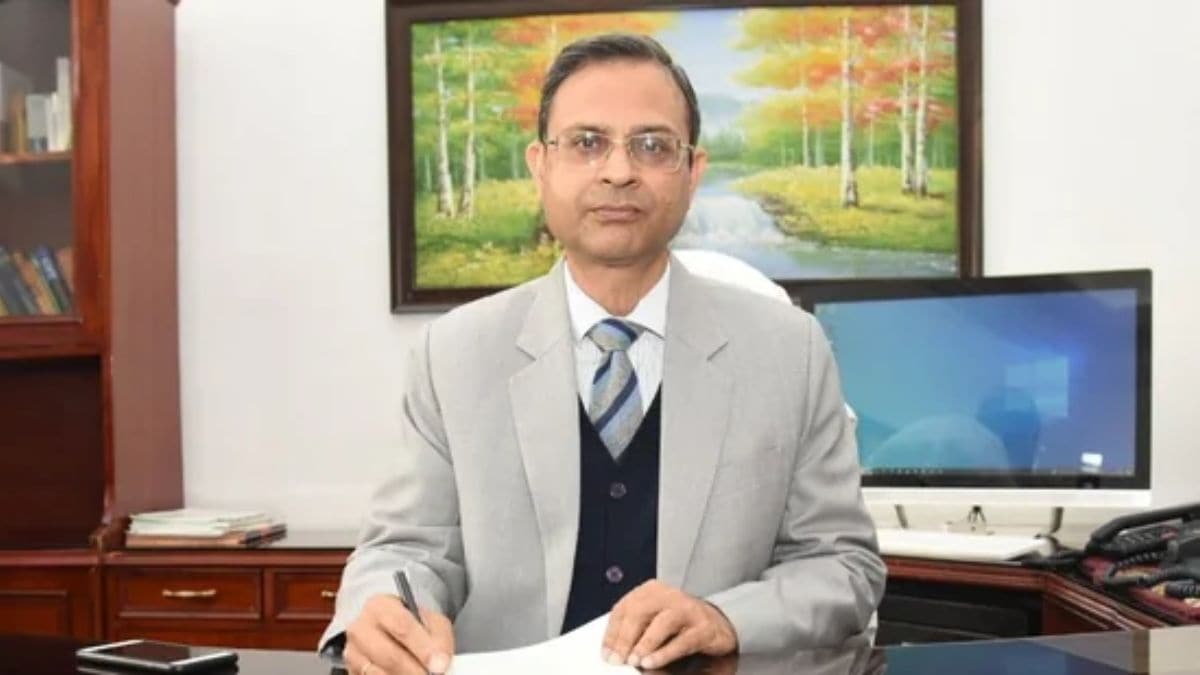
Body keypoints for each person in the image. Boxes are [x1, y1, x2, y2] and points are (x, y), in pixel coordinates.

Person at [321, 33, 885, 675]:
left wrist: (725, 618)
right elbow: (404, 550)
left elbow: (842, 565)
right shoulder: (453, 354)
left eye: (652, 145)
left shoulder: (789, 350)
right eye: (587, 143)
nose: (619, 171)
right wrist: (382, 613)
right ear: (541, 165)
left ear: (694, 171)